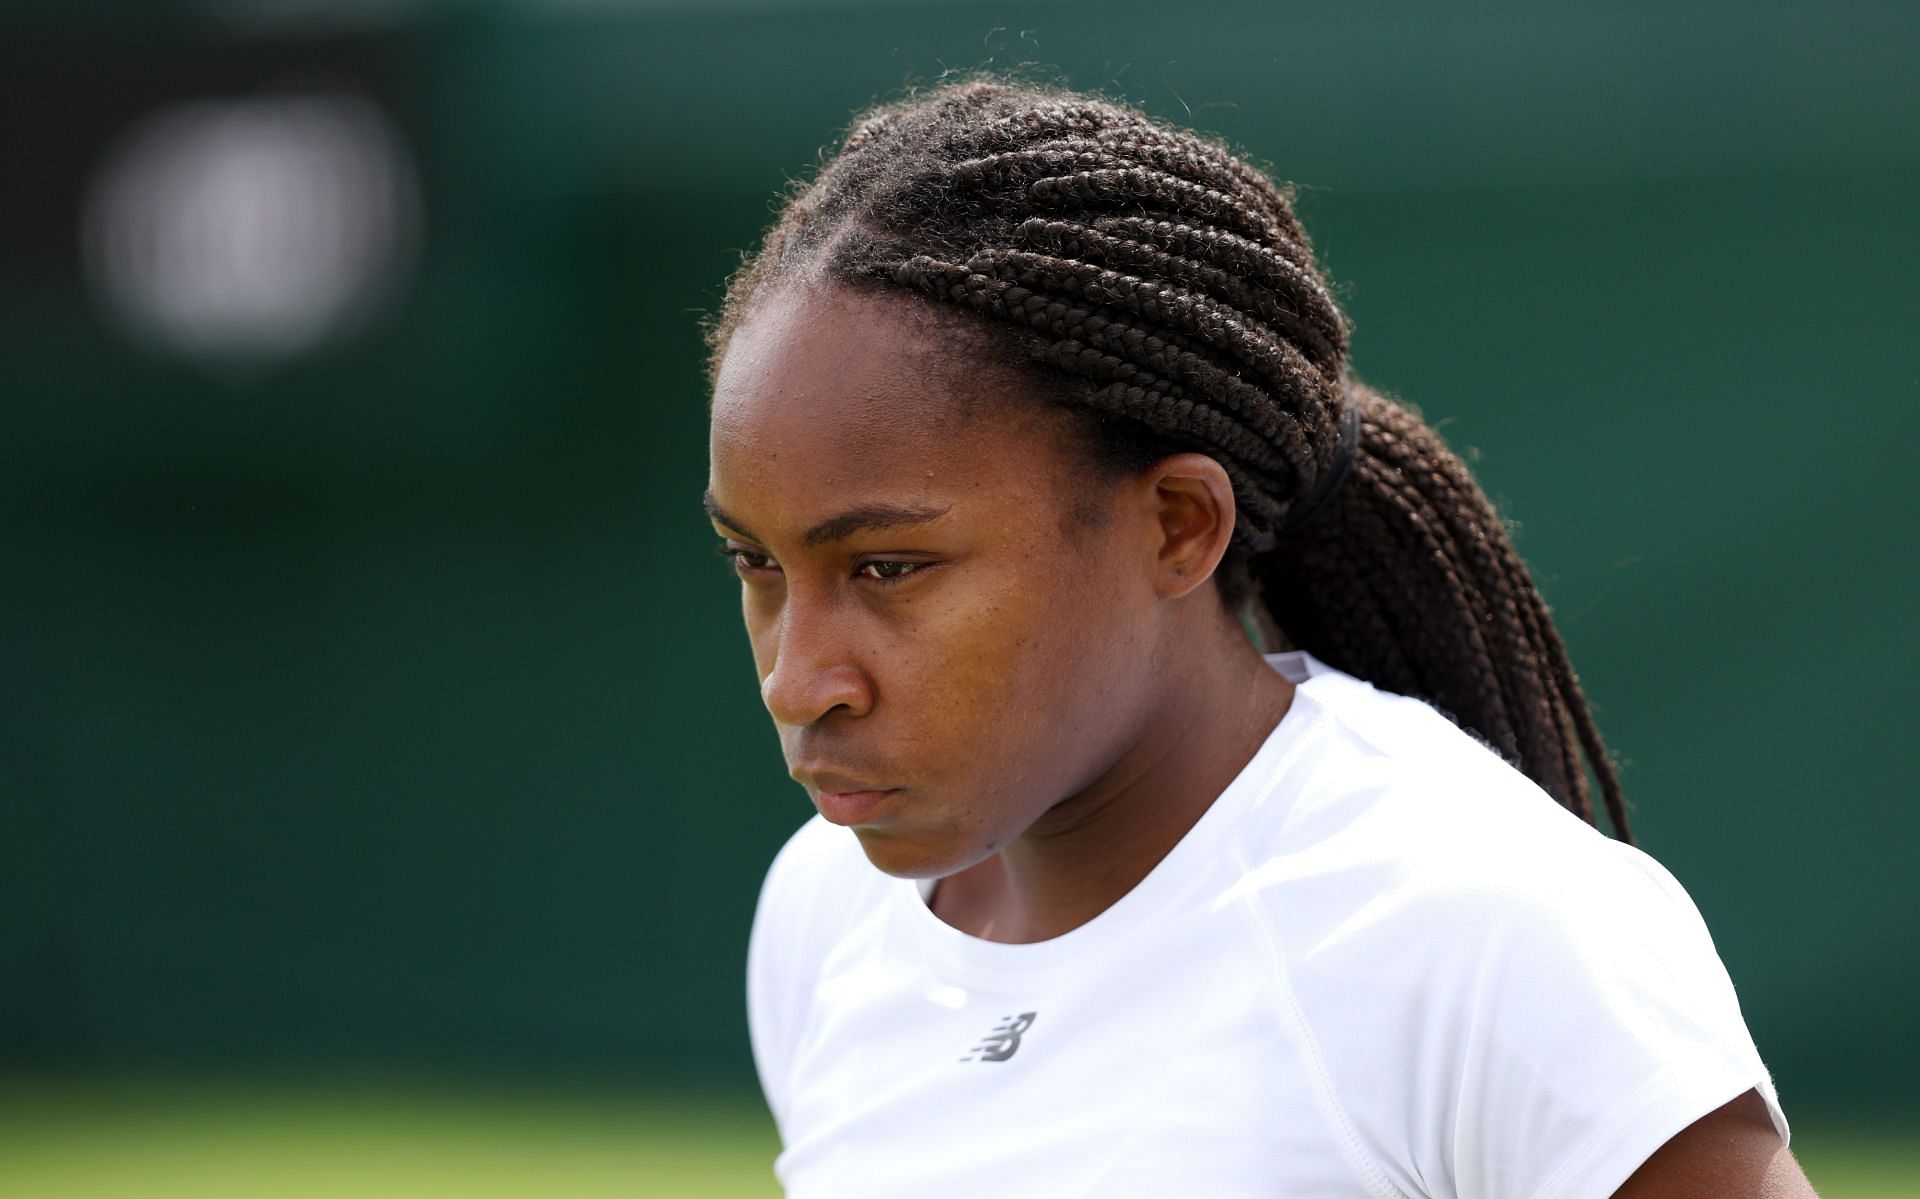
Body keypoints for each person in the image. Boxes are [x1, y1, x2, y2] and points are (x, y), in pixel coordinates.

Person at [702, 77, 1813, 1198]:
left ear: (1177, 526)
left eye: (889, 567)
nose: (798, 681)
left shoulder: (1484, 927)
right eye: (756, 562)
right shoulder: (827, 913)